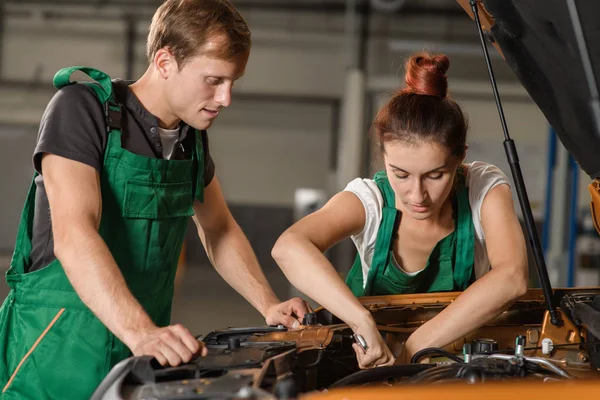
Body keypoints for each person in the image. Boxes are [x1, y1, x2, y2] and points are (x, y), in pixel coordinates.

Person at [0, 1, 308, 399]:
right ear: (165, 62)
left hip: (141, 352)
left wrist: (269, 304)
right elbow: (74, 234)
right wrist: (141, 332)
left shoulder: (190, 139)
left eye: (233, 82)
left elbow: (219, 229)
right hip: (55, 346)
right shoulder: (82, 110)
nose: (226, 97)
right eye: (214, 80)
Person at [272, 52, 528, 369]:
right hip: (363, 361)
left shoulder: (482, 188)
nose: (416, 194)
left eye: (436, 175)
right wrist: (361, 321)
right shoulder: (371, 201)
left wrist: (412, 349)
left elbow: (512, 277)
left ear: (460, 156)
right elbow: (289, 247)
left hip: (450, 363)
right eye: (401, 174)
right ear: (384, 157)